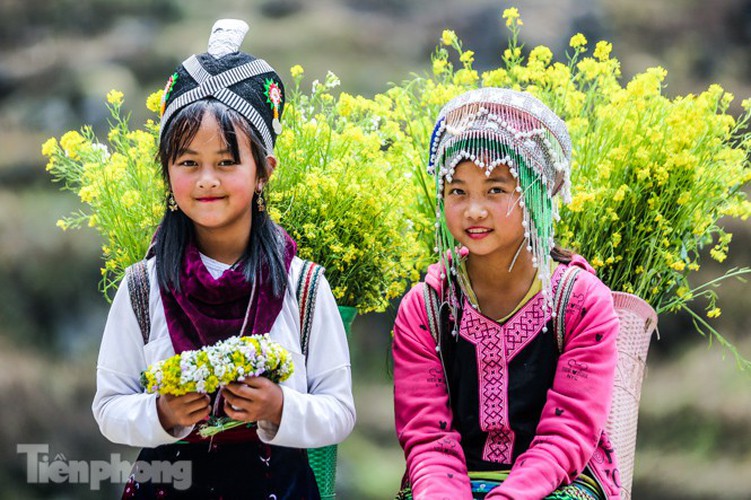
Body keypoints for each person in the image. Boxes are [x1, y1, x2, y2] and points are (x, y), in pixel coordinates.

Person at [92, 19, 355, 499]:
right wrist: (162, 415)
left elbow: (339, 411)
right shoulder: (143, 286)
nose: (206, 179)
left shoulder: (304, 285)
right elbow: (109, 407)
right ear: (167, 171)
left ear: (263, 172)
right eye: (188, 162)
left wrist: (278, 406)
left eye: (227, 162)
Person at [392, 87, 621, 499]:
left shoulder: (581, 303)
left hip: (559, 484)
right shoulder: (426, 309)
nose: (473, 210)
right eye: (457, 191)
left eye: (495, 190)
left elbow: (567, 433)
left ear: (533, 195)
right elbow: (427, 437)